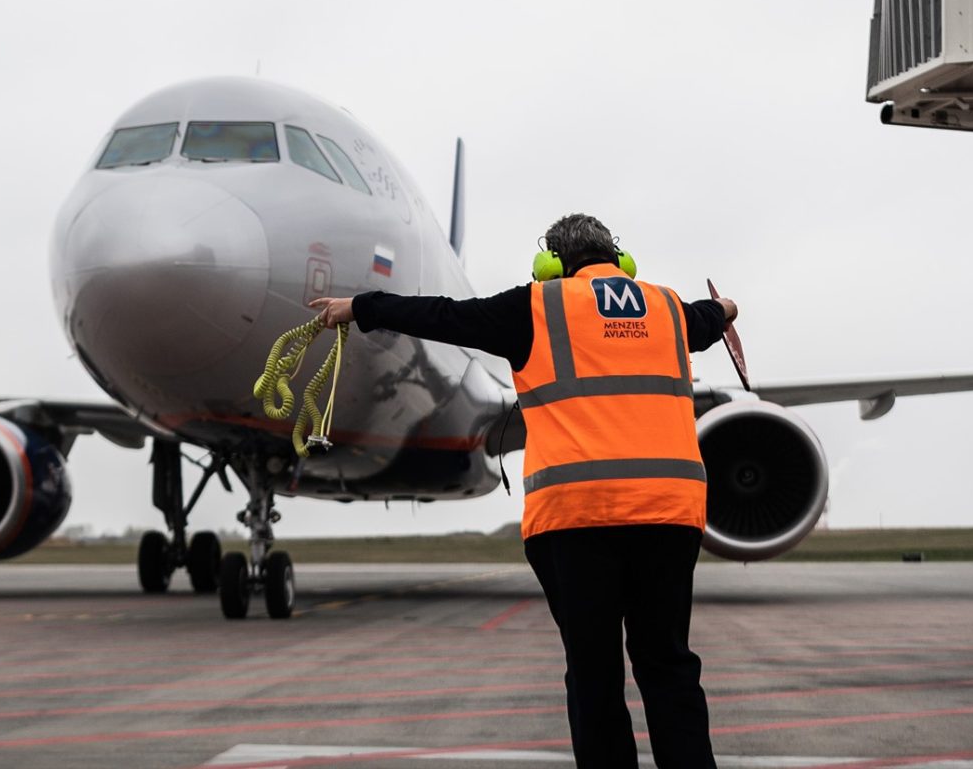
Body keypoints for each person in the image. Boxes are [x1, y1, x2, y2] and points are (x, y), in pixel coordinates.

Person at [311, 213, 733, 769]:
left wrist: (361, 307)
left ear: (551, 264)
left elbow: (440, 315)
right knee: (668, 663)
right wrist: (726, 309)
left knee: (594, 672)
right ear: (621, 260)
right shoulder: (670, 310)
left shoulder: (535, 308)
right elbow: (715, 316)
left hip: (577, 521)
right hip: (668, 518)